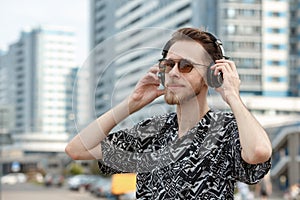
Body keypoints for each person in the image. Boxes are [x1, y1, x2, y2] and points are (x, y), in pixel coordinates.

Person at [65, 27, 272, 199]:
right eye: (168, 64)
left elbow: (259, 152)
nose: (173, 73)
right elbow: (78, 150)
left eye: (185, 66)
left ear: (211, 75)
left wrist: (232, 96)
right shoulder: (152, 131)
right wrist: (131, 103)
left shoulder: (224, 128)